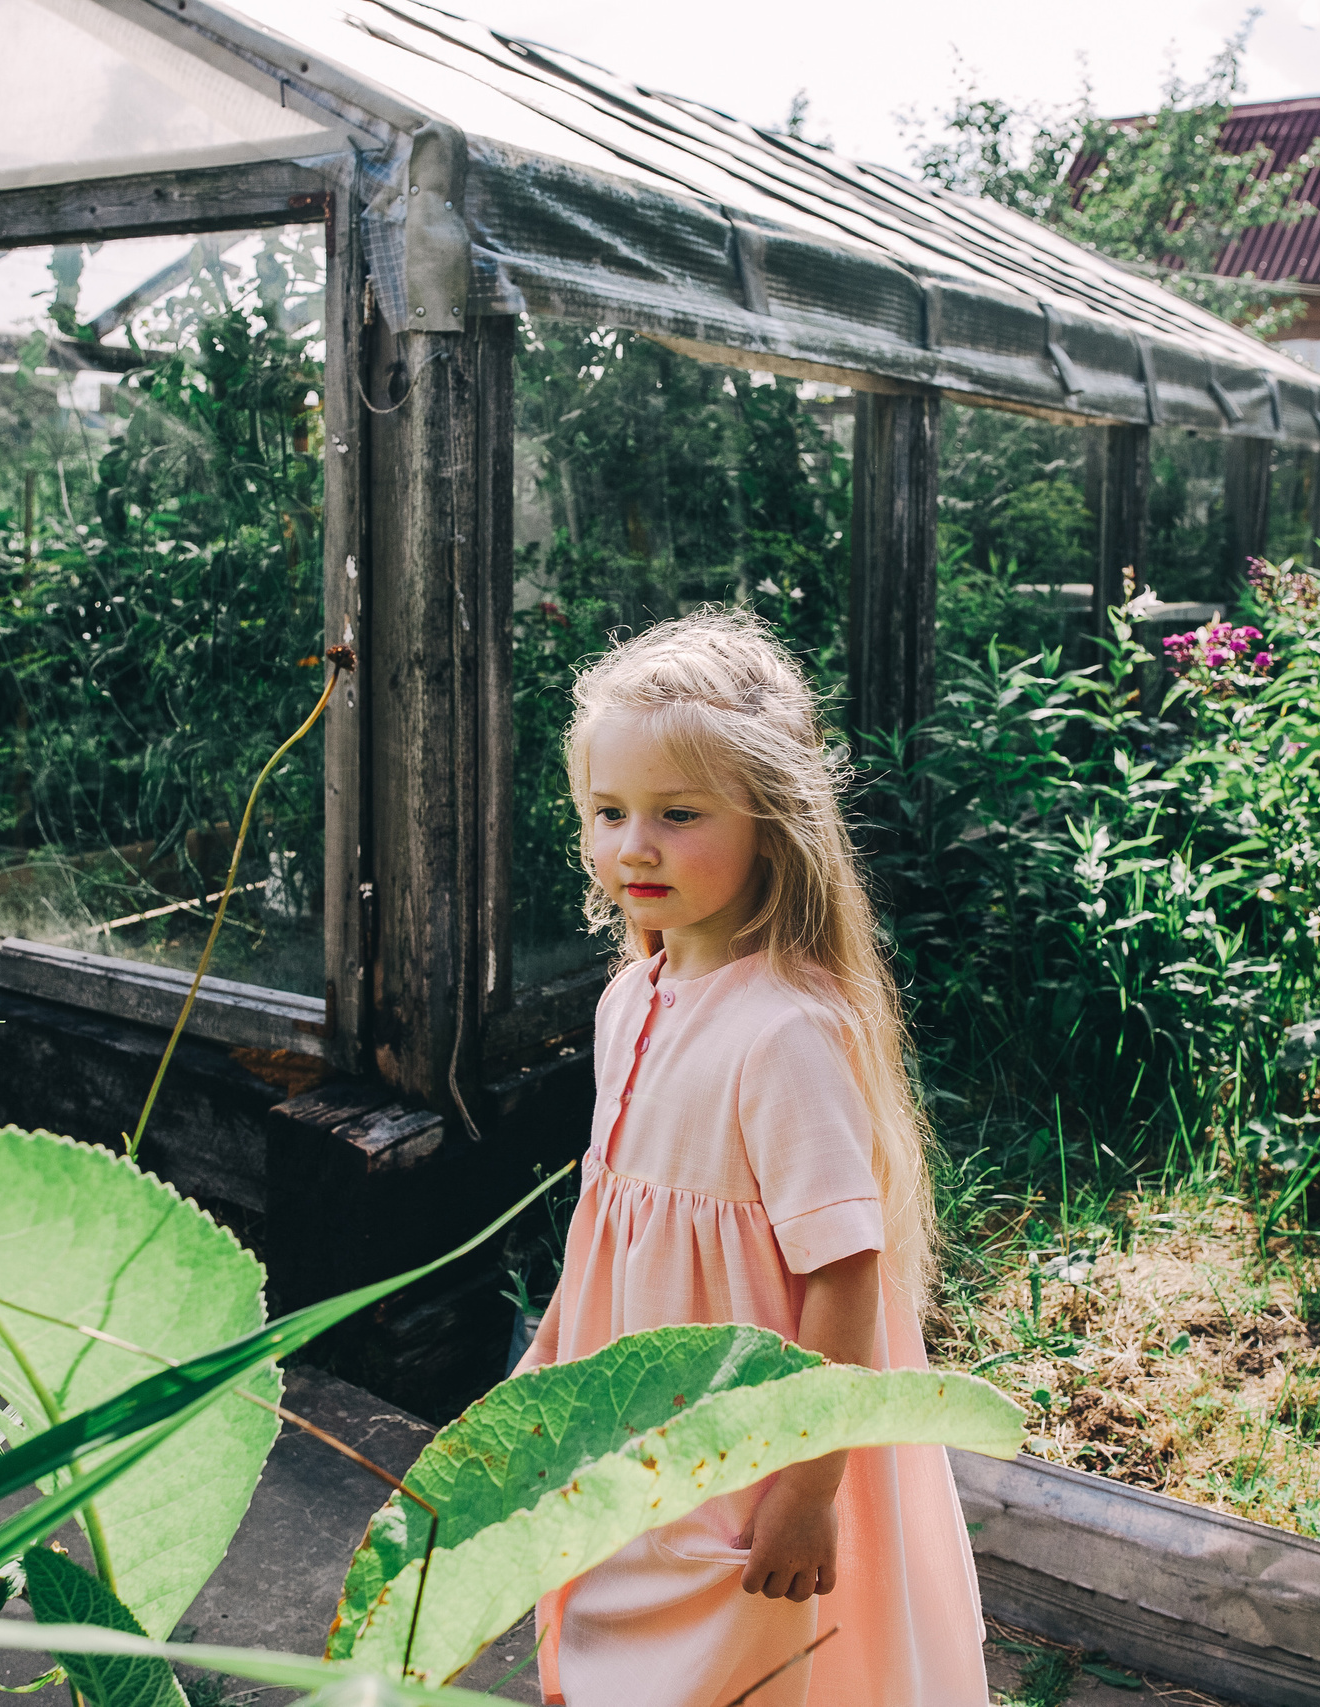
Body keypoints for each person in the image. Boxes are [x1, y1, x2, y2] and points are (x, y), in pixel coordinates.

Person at [514, 608, 989, 1707]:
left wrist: (805, 1488)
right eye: (607, 811)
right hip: (636, 1417)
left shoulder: (785, 1032)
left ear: (771, 823)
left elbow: (842, 1275)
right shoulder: (630, 997)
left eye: (678, 814)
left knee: (754, 1669)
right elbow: (606, 1226)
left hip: (754, 1443)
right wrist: (545, 1367)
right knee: (612, 1636)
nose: (633, 844)